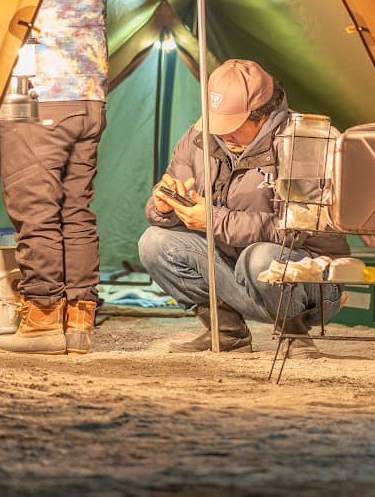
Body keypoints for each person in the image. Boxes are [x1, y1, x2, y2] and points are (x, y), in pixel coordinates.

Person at [138, 59, 349, 355]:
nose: (224, 135)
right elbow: (175, 196)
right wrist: (165, 206)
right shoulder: (197, 139)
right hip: (233, 272)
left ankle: (294, 333)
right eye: (218, 124)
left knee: (260, 257)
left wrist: (214, 220)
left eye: (233, 126)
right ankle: (227, 333)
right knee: (154, 242)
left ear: (263, 116)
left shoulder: (306, 141)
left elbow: (296, 231)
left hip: (308, 280)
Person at [0, 0, 112, 355]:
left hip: (39, 91)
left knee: (33, 206)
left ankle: (41, 320)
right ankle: (78, 321)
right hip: (90, 91)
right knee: (75, 208)